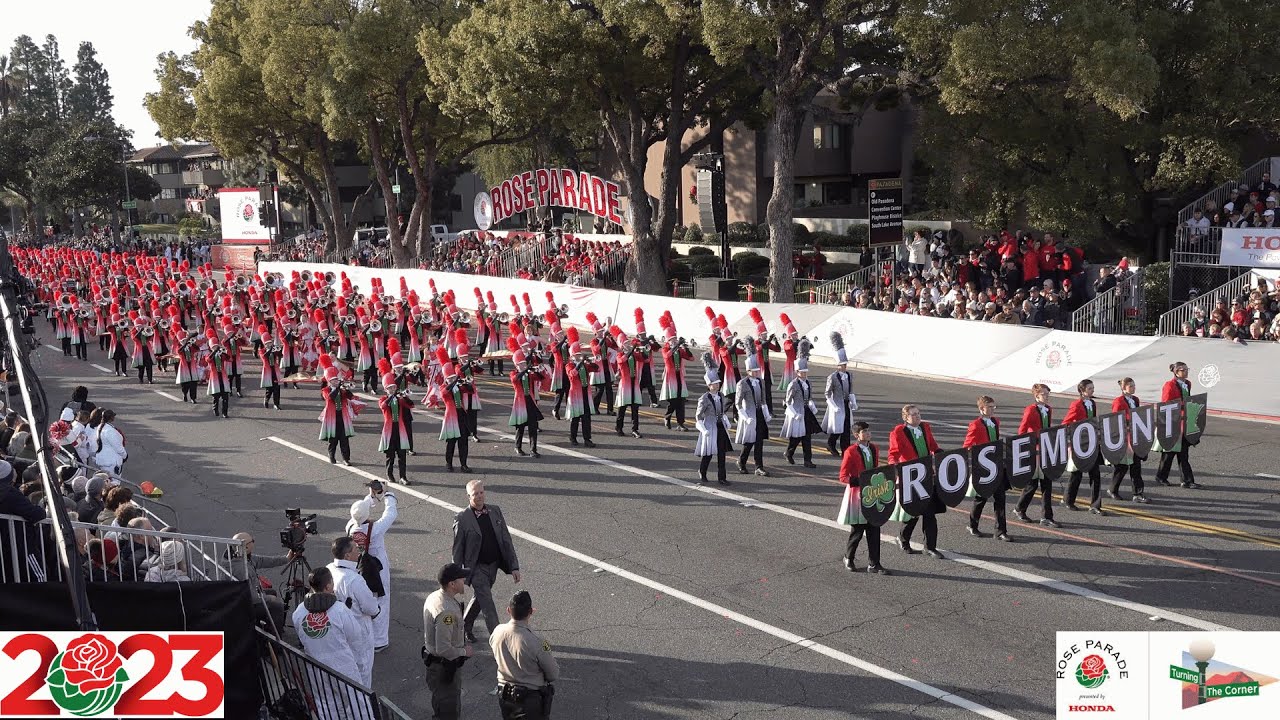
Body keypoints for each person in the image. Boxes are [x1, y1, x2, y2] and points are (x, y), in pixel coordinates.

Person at [453, 480, 521, 644]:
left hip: (494, 565)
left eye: (481, 492)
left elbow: (506, 539)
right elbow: (457, 549)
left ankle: (464, 625)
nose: (479, 496)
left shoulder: (495, 511)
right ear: (468, 496)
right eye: (475, 494)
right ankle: (499, 643)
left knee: (481, 598)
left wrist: (514, 566)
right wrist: (457, 575)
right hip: (476, 568)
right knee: (488, 603)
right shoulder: (462, 518)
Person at [293, 567, 365, 720]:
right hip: (343, 666)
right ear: (328, 586)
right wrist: (359, 663)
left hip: (316, 667)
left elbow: (303, 637)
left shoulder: (298, 612)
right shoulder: (339, 609)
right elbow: (355, 636)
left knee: (326, 704)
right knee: (357, 702)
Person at [887, 404, 945, 559]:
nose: (918, 416)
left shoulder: (925, 427)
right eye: (913, 414)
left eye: (918, 413)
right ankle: (903, 539)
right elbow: (894, 452)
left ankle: (930, 547)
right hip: (911, 476)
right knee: (913, 513)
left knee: (930, 513)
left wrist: (940, 453)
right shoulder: (898, 432)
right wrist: (893, 465)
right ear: (905, 418)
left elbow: (932, 445)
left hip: (926, 474)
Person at [491, 590, 559, 720]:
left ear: (508, 610)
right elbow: (553, 673)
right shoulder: (536, 641)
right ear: (531, 612)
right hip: (529, 700)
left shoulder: (497, 631)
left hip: (504, 695)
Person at [347, 483, 398, 652]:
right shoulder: (374, 529)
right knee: (381, 601)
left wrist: (370, 497)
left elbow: (360, 512)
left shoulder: (350, 527)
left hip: (358, 568)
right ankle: (379, 640)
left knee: (362, 602)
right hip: (377, 570)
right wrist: (388, 495)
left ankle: (364, 636)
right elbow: (390, 514)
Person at [837, 422, 889, 574]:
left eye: (868, 431)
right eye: (864, 431)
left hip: (872, 493)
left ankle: (874, 563)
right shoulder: (851, 451)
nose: (867, 433)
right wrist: (860, 481)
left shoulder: (874, 448)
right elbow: (843, 476)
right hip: (858, 495)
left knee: (874, 528)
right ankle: (849, 557)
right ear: (856, 435)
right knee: (858, 530)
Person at [327, 536, 380, 686]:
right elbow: (371, 607)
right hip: (358, 631)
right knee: (362, 673)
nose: (359, 551)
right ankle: (362, 706)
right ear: (347, 555)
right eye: (356, 549)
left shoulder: (329, 569)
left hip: (337, 629)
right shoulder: (354, 580)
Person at [422, 563, 472, 720]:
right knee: (448, 712)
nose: (464, 580)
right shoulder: (446, 611)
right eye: (461, 578)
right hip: (444, 669)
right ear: (452, 584)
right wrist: (465, 652)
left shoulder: (436, 596)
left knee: (442, 708)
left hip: (438, 666)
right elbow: (444, 649)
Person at [963, 396, 1011, 541]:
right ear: (981, 409)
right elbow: (967, 446)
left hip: (996, 465)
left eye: (993, 407)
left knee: (1000, 498)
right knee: (981, 499)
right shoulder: (975, 425)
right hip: (983, 468)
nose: (992, 410)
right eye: (989, 407)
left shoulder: (995, 422)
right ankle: (973, 525)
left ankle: (1000, 531)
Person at [1014, 384, 1059, 527]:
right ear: (1036, 396)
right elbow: (1022, 430)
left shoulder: (1048, 409)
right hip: (1033, 449)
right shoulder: (1030, 410)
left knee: (1047, 482)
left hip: (1045, 449)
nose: (1046, 396)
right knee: (1032, 484)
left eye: (1047, 394)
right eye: (1044, 394)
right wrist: (1024, 447)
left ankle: (1046, 516)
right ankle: (1020, 508)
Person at [229, 532, 292, 632]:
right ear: (245, 547)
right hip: (245, 604)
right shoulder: (241, 568)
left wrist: (286, 559)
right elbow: (252, 597)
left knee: (272, 593)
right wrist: (269, 598)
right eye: (252, 541)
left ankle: (268, 626)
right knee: (277, 605)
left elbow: (262, 561)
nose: (254, 542)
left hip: (247, 595)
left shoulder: (240, 555)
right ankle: (275, 640)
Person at [1154, 361, 1200, 489]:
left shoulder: (1187, 384)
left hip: (1184, 422)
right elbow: (1166, 404)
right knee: (1169, 453)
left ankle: (1187, 480)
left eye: (1187, 369)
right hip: (1173, 421)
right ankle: (1161, 476)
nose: (1186, 372)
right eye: (1183, 370)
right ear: (1176, 372)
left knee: (1183, 453)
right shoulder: (1169, 385)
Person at [1062, 379, 1105, 515]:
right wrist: (1071, 440)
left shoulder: (1092, 403)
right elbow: (1066, 422)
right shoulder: (1076, 405)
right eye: (1090, 388)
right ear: (1082, 391)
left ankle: (1095, 505)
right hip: (1080, 444)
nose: (1092, 390)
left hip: (1092, 443)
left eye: (1093, 388)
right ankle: (1068, 500)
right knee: (1077, 474)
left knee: (1095, 474)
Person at [1109, 378, 1149, 503]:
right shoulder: (1118, 401)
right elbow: (1115, 419)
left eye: (1134, 385)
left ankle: (1138, 493)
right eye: (1130, 386)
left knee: (1136, 465)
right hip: (1125, 436)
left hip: (1135, 436)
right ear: (1123, 388)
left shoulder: (1135, 400)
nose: (1133, 388)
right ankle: (1113, 489)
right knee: (1122, 466)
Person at [694, 353, 732, 486]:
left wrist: (726, 421)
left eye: (718, 383)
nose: (717, 386)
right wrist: (703, 430)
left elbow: (722, 412)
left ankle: (722, 477)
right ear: (709, 385)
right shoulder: (704, 398)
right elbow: (698, 417)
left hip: (720, 427)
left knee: (722, 453)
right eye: (714, 384)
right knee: (709, 453)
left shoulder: (721, 396)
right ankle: (702, 471)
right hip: (709, 427)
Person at [734, 351, 770, 476]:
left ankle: (758, 467)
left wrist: (766, 412)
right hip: (749, 415)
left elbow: (763, 399)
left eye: (757, 370)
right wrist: (745, 417)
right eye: (753, 371)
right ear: (748, 371)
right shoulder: (742, 384)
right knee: (749, 442)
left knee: (759, 441)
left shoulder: (761, 382)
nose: (756, 373)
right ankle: (741, 461)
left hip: (759, 414)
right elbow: (737, 403)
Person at [780, 353, 819, 468]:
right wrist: (794, 413)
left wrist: (812, 405)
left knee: (807, 436)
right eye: (802, 372)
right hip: (797, 412)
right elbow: (787, 401)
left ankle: (808, 460)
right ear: (797, 372)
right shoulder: (793, 384)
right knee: (796, 437)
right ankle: (789, 452)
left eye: (805, 372)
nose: (804, 374)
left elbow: (809, 398)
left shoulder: (808, 383)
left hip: (806, 412)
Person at [822, 332, 856, 456]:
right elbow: (827, 393)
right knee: (837, 428)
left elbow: (850, 390)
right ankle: (830, 444)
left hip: (846, 404)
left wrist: (853, 401)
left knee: (846, 428)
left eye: (845, 364)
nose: (845, 366)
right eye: (842, 364)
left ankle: (845, 449)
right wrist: (833, 406)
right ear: (838, 365)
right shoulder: (832, 377)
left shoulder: (849, 375)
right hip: (837, 404)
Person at [508, 343, 544, 457]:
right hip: (520, 403)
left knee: (533, 426)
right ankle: (517, 447)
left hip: (530, 401)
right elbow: (515, 379)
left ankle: (533, 449)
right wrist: (525, 370)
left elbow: (540, 378)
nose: (523, 365)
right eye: (521, 364)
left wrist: (536, 370)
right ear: (517, 365)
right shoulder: (514, 373)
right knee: (521, 427)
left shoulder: (529, 374)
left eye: (524, 363)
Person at [378, 371, 415, 484]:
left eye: (394, 387)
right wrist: (392, 396)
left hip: (400, 429)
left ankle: (403, 477)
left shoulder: (399, 399)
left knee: (402, 454)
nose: (393, 389)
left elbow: (411, 405)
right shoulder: (383, 399)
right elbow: (383, 406)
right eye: (390, 388)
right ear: (386, 389)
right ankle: (389, 474)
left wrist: (405, 396)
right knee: (390, 455)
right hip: (389, 430)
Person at [320, 366, 356, 465]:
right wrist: (338, 388)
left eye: (336, 379)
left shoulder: (341, 389)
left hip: (343, 416)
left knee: (344, 438)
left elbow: (351, 396)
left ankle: (346, 458)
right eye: (334, 380)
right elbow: (330, 398)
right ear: (329, 382)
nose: (336, 381)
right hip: (332, 417)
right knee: (333, 438)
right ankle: (331, 455)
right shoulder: (325, 390)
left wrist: (346, 389)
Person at [92, 410, 127, 478]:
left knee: (106, 482)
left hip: (103, 460)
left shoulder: (101, 427)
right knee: (114, 483)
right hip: (111, 463)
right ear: (111, 418)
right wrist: (125, 455)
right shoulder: (110, 431)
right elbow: (118, 447)